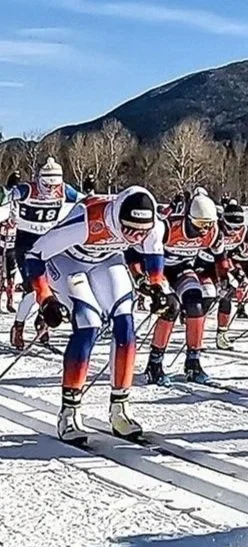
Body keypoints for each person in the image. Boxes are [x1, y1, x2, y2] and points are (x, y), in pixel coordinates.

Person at [23, 187, 165, 442]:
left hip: (106, 259)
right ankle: (69, 413)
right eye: (129, 229)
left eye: (141, 232)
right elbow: (34, 254)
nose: (134, 237)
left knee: (125, 324)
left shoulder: (153, 227)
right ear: (117, 216)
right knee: (88, 323)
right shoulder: (88, 221)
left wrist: (157, 287)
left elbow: (154, 254)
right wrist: (45, 298)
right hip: (66, 260)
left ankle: (120, 409)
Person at [144, 193, 228, 385]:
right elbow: (145, 250)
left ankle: (193, 363)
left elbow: (220, 256)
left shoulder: (213, 232)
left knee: (196, 305)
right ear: (189, 219)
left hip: (182, 269)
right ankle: (154, 364)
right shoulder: (169, 227)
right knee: (171, 306)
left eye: (208, 224)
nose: (204, 229)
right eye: (199, 224)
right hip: (159, 269)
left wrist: (224, 279)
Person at [9, 158, 84, 349]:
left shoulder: (65, 190)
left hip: (50, 242)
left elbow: (86, 201)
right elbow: (7, 196)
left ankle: (42, 320)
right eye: (47, 184)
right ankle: (19, 326)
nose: (51, 189)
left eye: (55, 185)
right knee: (32, 289)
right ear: (39, 179)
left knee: (52, 285)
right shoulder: (28, 189)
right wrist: (9, 190)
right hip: (26, 242)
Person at [212, 200, 248, 349]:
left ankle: (222, 335)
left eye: (238, 227)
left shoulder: (245, 231)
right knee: (205, 298)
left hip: (232, 260)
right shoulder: (215, 229)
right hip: (209, 261)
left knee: (228, 293)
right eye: (231, 227)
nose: (234, 231)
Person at [0, 187, 16, 313]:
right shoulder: (2, 220)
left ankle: (10, 302)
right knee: (1, 276)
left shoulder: (19, 224)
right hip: (1, 250)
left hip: (12, 251)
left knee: (11, 277)